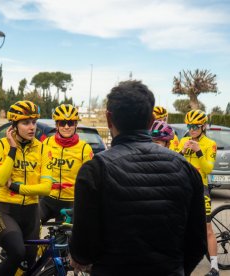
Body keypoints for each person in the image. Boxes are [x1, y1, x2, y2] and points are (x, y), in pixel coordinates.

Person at [69, 80, 207, 276]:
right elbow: (198, 242)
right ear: (152, 120)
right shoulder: (185, 168)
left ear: (109, 119)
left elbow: (82, 251)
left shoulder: (94, 170)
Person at [0, 100, 53, 275]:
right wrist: (12, 149)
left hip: (32, 213)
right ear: (14, 125)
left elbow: (46, 188)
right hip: (6, 211)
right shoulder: (1, 146)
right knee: (16, 252)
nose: (31, 127)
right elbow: (0, 179)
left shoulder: (43, 149)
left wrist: (18, 187)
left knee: (29, 263)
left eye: (33, 122)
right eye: (26, 123)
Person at [177, 109, 218, 276]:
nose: (192, 129)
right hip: (184, 187)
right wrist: (181, 151)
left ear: (203, 126)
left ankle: (214, 267)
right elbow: (175, 162)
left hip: (201, 188)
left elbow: (208, 169)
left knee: (207, 228)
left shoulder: (210, 144)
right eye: (189, 126)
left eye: (195, 126)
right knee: (181, 226)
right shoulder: (183, 140)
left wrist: (198, 151)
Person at [40, 104, 93, 224]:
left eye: (71, 123)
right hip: (47, 199)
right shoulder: (47, 143)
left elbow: (89, 179)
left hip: (71, 202)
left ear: (76, 125)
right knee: (32, 226)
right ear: (57, 125)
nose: (67, 127)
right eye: (62, 123)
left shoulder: (85, 148)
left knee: (62, 237)